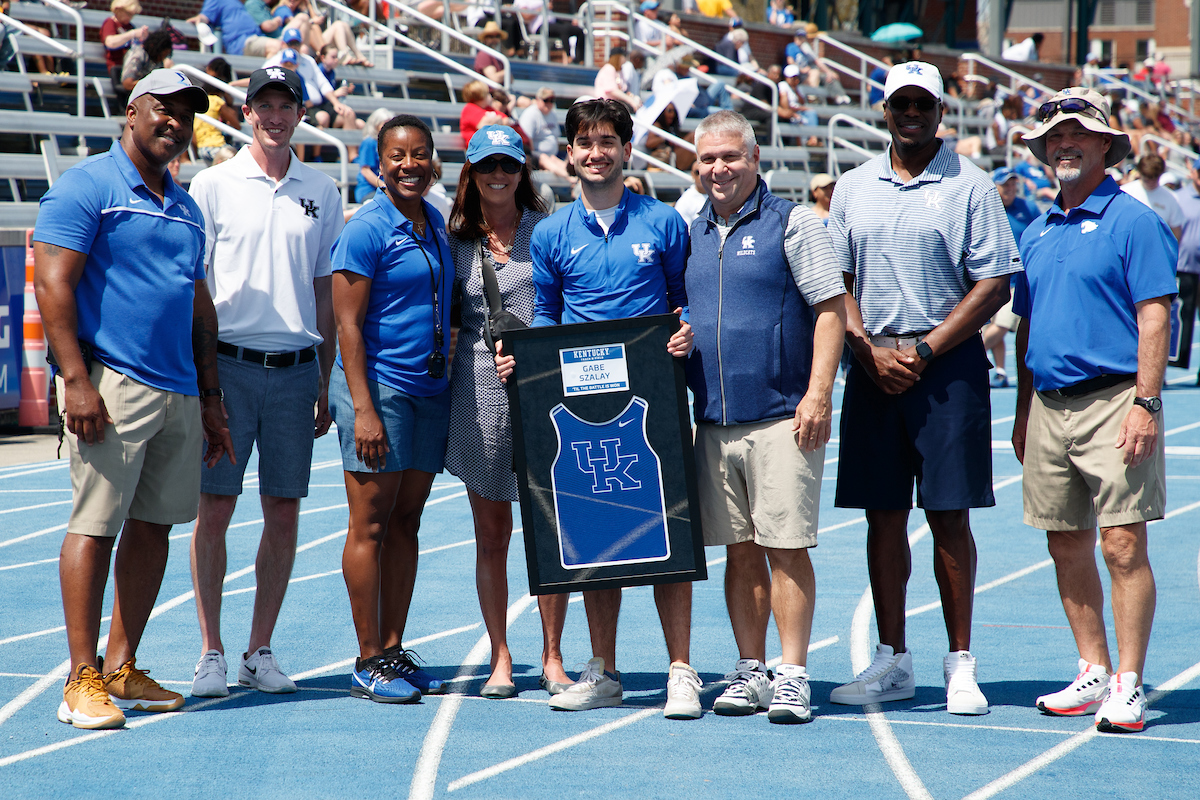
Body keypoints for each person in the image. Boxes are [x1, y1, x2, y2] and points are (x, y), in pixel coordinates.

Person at [32, 69, 233, 730]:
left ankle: (121, 665)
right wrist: (76, 380)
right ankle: (80, 678)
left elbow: (196, 303)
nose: (175, 122)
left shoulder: (185, 205)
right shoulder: (88, 185)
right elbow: (54, 285)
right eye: (165, 109)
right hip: (112, 384)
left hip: (178, 388)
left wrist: (210, 396)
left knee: (154, 528)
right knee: (96, 524)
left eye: (186, 113)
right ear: (133, 110)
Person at [826, 62, 1022, 716]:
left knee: (948, 515)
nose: (911, 112)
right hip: (873, 362)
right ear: (884, 110)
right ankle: (893, 659)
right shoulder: (853, 187)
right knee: (882, 515)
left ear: (941, 110)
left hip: (949, 366)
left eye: (923, 103)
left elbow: (995, 282)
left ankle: (960, 664)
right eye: (900, 103)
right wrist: (865, 349)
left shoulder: (971, 186)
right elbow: (837, 280)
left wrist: (926, 347)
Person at [493, 98, 698, 719]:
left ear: (626, 151)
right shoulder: (553, 232)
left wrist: (685, 334)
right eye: (585, 142)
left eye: (608, 141)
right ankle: (603, 669)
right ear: (570, 153)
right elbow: (548, 319)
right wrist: (523, 365)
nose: (596, 152)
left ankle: (681, 670)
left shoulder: (663, 222)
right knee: (598, 536)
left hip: (653, 401)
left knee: (671, 537)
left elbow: (685, 301)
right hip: (581, 409)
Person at [1012, 87, 1177, 734]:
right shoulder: (1036, 229)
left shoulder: (1134, 221)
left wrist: (1146, 401)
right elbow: (1027, 330)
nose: (1064, 145)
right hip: (1050, 406)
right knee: (1065, 543)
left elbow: (1155, 314)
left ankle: (1130, 684)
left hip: (1115, 400)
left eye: (1076, 135)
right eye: (1053, 137)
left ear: (1106, 145)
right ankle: (1093, 667)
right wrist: (1024, 412)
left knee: (1122, 543)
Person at [686, 111, 847, 724]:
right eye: (707, 160)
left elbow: (830, 309)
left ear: (756, 161)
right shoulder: (691, 230)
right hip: (715, 418)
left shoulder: (794, 223)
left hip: (783, 416)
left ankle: (792, 673)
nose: (718, 168)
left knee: (785, 548)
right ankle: (750, 668)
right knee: (739, 551)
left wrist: (818, 393)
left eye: (730, 157)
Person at [187, 67, 342, 699]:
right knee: (215, 508)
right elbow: (196, 284)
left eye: (287, 104)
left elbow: (325, 289)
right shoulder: (213, 184)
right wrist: (204, 383)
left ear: (300, 112)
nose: (275, 115)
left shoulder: (322, 189)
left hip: (296, 370)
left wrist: (326, 378)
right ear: (246, 112)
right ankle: (211, 652)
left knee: (283, 509)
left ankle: (259, 648)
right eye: (264, 104)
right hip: (228, 367)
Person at [329, 114, 454, 703]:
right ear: (378, 165)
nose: (409, 165)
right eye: (397, 156)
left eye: (420, 154)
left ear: (434, 161)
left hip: (428, 393)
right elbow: (346, 325)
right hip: (378, 391)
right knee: (371, 524)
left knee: (408, 521)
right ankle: (367, 655)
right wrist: (362, 409)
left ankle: (394, 645)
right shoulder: (366, 228)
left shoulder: (435, 224)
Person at [444, 126, 571, 698]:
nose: (500, 175)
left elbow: (572, 305)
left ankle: (552, 654)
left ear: (524, 173)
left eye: (510, 165)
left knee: (549, 532)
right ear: (471, 172)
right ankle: (500, 654)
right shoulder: (455, 241)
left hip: (546, 390)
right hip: (479, 394)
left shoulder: (551, 232)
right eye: (488, 164)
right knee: (491, 535)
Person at [982, 166, 1039, 388]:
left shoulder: (1027, 207)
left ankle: (972, 359)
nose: (1010, 188)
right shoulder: (986, 208)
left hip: (1017, 281)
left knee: (1003, 325)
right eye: (1005, 184)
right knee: (992, 325)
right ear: (995, 186)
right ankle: (1001, 371)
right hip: (990, 277)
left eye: (1013, 184)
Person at [1172, 157, 1200, 379]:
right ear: (1193, 173)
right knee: (1180, 318)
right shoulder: (1179, 199)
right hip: (1185, 267)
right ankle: (1166, 368)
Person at [189, 0, 283, 58]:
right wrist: (199, 20)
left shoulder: (239, 2)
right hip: (242, 43)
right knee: (278, 46)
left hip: (255, 38)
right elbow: (205, 16)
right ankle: (267, 80)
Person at [1122, 154, 1184, 239]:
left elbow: (1176, 230)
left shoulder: (1171, 197)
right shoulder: (1125, 192)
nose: (1151, 182)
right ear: (1139, 173)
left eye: (1155, 178)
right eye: (1147, 179)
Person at [101, 0, 148, 106]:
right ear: (118, 10)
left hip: (132, 68)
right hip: (117, 68)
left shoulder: (130, 26)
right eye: (128, 14)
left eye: (132, 15)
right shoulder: (110, 23)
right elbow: (110, 43)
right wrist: (132, 34)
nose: (130, 18)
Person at [518, 88, 572, 180]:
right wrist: (535, 159)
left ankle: (573, 177)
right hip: (535, 155)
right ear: (538, 100)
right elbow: (526, 141)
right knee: (545, 158)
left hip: (551, 156)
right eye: (546, 100)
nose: (549, 103)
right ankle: (569, 178)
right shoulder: (531, 114)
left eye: (551, 101)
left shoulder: (553, 114)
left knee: (559, 162)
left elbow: (555, 137)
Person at [460, 79, 518, 148]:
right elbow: (484, 126)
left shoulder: (488, 108)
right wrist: (499, 121)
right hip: (477, 149)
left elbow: (506, 120)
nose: (490, 96)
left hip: (492, 146)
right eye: (487, 93)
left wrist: (495, 121)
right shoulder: (469, 108)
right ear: (481, 96)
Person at [121, 27, 174, 92]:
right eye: (162, 55)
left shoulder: (157, 60)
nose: (162, 58)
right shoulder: (137, 55)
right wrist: (152, 84)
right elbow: (128, 84)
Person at [356, 107, 391, 204]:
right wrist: (384, 186)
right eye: (384, 124)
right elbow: (365, 170)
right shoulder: (369, 142)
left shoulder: (390, 144)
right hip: (369, 190)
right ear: (376, 124)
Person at [594, 47, 641, 111]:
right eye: (623, 56)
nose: (625, 59)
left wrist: (633, 97)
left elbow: (622, 89)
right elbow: (612, 91)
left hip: (614, 104)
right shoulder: (608, 68)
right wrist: (630, 100)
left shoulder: (619, 72)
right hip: (605, 105)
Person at [674, 161, 705, 226]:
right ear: (692, 175)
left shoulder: (720, 195)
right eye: (697, 172)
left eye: (704, 172)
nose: (701, 176)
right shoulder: (685, 201)